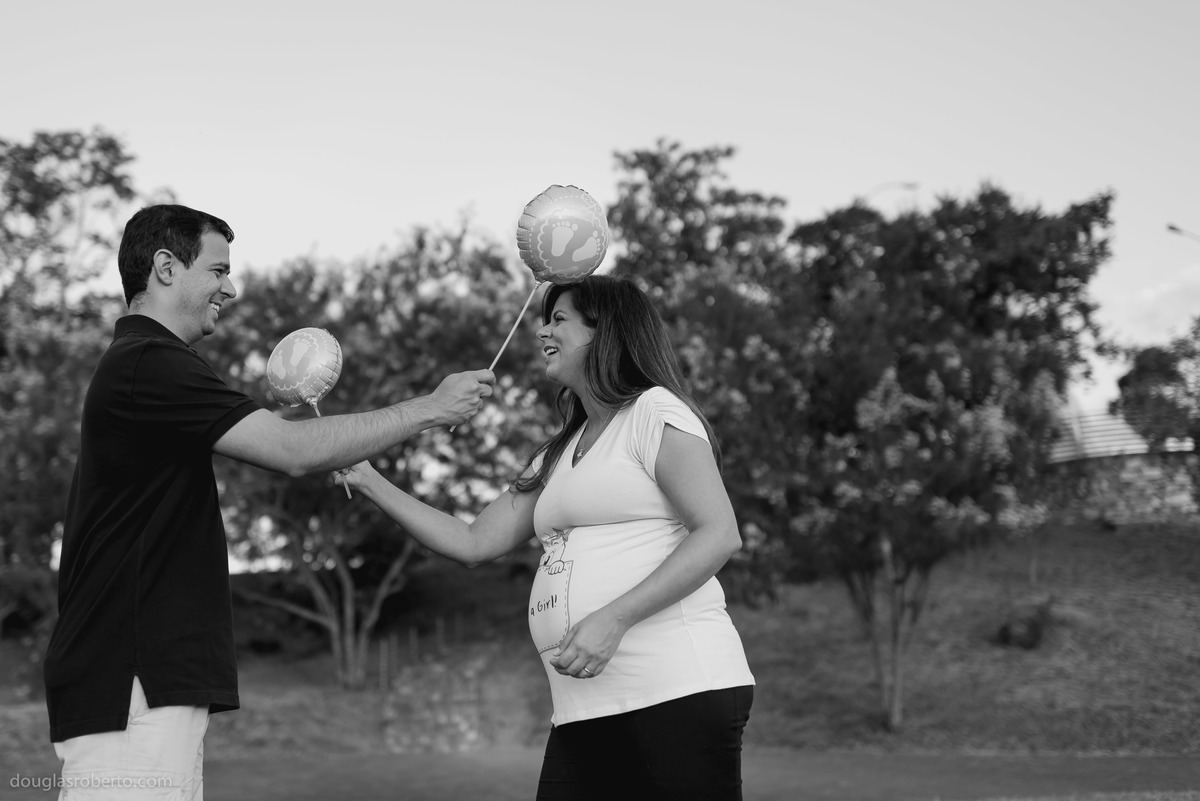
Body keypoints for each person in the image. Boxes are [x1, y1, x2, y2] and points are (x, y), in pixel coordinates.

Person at [42, 204, 494, 800]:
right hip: (133, 682)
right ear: (166, 267)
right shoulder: (150, 362)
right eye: (218, 269)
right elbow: (292, 452)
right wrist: (428, 409)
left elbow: (267, 435)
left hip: (140, 685)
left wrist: (278, 415)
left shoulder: (144, 365)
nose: (230, 288)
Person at [338, 274, 755, 800]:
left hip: (676, 688)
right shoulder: (558, 451)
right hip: (583, 708)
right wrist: (369, 479)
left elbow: (719, 534)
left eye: (558, 319)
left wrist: (613, 617)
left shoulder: (655, 411)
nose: (542, 332)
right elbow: (471, 542)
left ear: (605, 332)